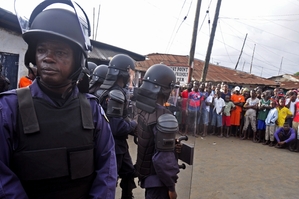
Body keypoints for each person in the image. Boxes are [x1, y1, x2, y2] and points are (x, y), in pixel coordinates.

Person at [0, 1, 117, 198]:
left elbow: (107, 172)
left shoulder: (92, 109)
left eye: (60, 52)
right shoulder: (9, 109)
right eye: (41, 50)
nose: (47, 58)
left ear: (78, 61)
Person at [135, 63, 180, 199]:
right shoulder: (164, 116)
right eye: (171, 89)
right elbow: (162, 160)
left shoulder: (144, 109)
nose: (172, 93)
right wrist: (171, 188)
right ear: (164, 90)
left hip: (148, 178)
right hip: (159, 183)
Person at [97, 54, 137, 199]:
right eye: (131, 72)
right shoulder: (115, 93)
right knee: (110, 180)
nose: (131, 76)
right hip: (113, 145)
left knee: (129, 172)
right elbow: (116, 127)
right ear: (124, 72)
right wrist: (134, 124)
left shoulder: (111, 90)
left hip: (119, 145)